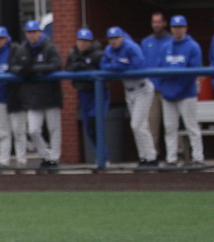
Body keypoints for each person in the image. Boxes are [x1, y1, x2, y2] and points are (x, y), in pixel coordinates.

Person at [8, 20, 63, 168]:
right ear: (26, 34)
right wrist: (22, 71)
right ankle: (45, 156)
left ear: (40, 32)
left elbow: (57, 64)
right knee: (33, 130)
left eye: (35, 32)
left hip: (50, 94)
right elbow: (12, 66)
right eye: (29, 33)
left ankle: (54, 159)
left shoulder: (49, 47)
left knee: (54, 129)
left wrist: (36, 68)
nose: (32, 35)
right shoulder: (22, 49)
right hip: (32, 96)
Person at [100, 26, 158, 167]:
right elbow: (103, 65)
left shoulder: (131, 47)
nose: (114, 41)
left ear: (122, 37)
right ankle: (144, 158)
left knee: (137, 124)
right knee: (138, 126)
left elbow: (138, 66)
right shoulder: (109, 50)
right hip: (129, 90)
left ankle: (151, 157)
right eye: (111, 39)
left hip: (142, 88)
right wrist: (120, 66)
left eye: (116, 38)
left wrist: (116, 66)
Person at [156, 15, 204, 168]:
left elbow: (192, 73)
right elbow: (159, 70)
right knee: (170, 128)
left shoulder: (193, 46)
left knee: (191, 127)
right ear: (171, 29)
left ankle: (198, 159)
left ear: (185, 28)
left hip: (186, 93)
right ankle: (171, 159)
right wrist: (165, 89)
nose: (177, 30)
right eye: (174, 27)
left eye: (180, 27)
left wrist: (175, 89)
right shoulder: (165, 46)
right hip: (168, 94)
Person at [65, 28, 109, 163]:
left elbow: (105, 72)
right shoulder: (73, 54)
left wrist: (83, 67)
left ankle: (103, 158)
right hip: (83, 93)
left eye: (86, 41)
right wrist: (78, 65)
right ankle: (101, 156)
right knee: (89, 128)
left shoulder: (98, 54)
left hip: (99, 93)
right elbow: (68, 68)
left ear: (91, 42)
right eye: (80, 41)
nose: (82, 44)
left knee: (95, 123)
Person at [0, 26, 26, 167]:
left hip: (15, 96)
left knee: (19, 131)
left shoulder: (15, 51)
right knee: (3, 131)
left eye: (1, 38)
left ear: (7, 39)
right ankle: (4, 160)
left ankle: (21, 161)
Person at [141, 12, 172, 151]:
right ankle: (152, 155)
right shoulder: (146, 42)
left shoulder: (172, 41)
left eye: (159, 22)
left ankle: (178, 154)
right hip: (151, 89)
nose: (156, 25)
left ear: (164, 23)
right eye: (154, 22)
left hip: (169, 88)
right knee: (151, 124)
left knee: (171, 124)